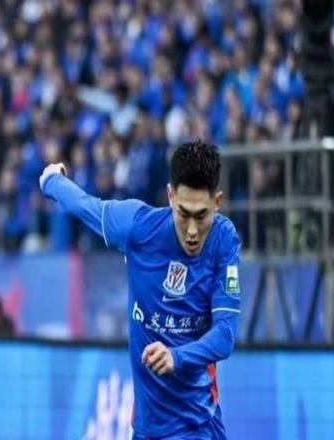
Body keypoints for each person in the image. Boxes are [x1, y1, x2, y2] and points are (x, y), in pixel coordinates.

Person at [39, 140, 241, 439]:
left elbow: (225, 335)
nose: (192, 230)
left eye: (202, 216)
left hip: (198, 425)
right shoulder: (138, 227)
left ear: (218, 202)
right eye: (184, 214)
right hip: (147, 428)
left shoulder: (224, 240)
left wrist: (176, 357)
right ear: (170, 196)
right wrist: (52, 181)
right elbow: (86, 206)